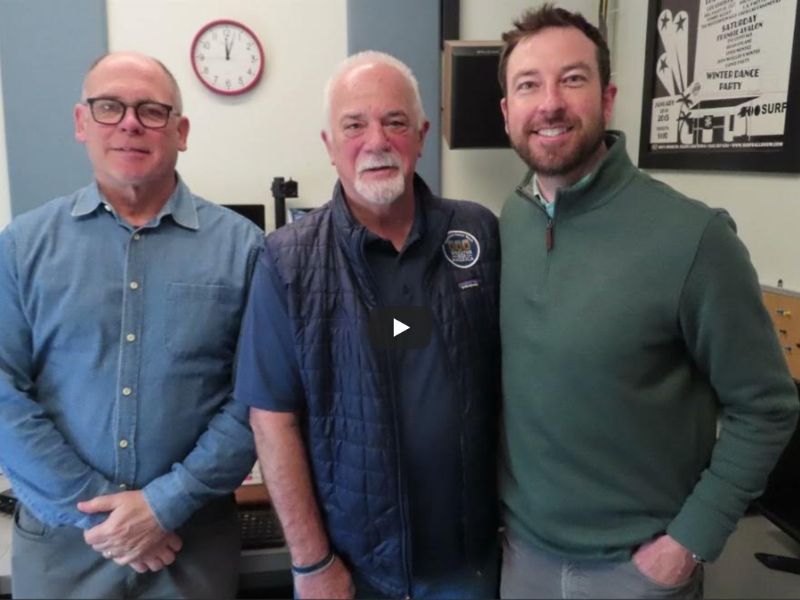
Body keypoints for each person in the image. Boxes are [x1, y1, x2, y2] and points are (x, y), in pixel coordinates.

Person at [497, 5, 799, 599]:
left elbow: (766, 407)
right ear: (508, 112)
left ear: (607, 99)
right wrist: (387, 327)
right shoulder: (508, 221)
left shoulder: (695, 239)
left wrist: (689, 542)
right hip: (520, 558)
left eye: (573, 79)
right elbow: (443, 331)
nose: (550, 102)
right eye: (528, 85)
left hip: (634, 573)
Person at [234, 51, 500, 599]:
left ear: (421, 135)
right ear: (330, 146)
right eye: (354, 125)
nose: (376, 140)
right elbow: (272, 420)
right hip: (356, 573)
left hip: (471, 564)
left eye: (394, 122)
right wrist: (311, 564)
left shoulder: (477, 234)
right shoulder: (286, 262)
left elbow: (422, 337)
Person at [0, 51, 263, 599]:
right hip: (60, 545)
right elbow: (3, 392)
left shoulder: (245, 250)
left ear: (181, 130)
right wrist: (106, 517)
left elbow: (255, 397)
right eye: (109, 107)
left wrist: (165, 504)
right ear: (81, 123)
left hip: (192, 540)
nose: (129, 123)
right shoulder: (22, 247)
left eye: (151, 110)